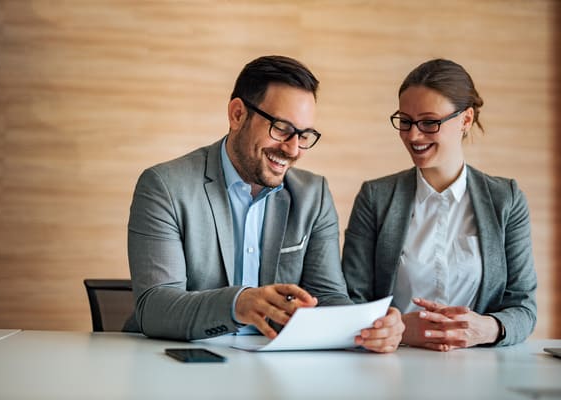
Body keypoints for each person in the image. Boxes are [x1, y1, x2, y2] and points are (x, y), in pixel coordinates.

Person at [127, 55, 404, 353]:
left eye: (305, 135)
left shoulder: (314, 195)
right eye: (282, 129)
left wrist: (371, 326)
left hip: (277, 365)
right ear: (237, 115)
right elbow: (154, 306)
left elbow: (327, 297)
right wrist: (238, 304)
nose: (293, 149)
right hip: (181, 362)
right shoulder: (165, 186)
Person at [342, 58, 537, 351]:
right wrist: (401, 328)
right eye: (405, 121)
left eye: (429, 122)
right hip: (392, 366)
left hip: (480, 367)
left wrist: (487, 328)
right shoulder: (376, 197)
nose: (413, 135)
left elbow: (523, 306)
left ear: (466, 120)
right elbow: (351, 301)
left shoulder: (505, 199)